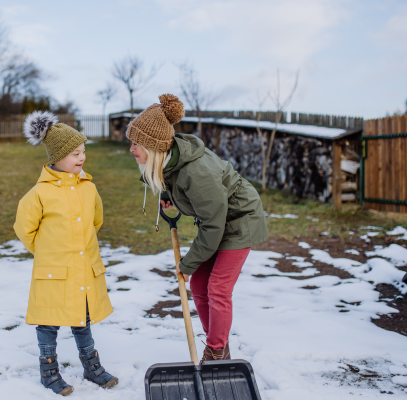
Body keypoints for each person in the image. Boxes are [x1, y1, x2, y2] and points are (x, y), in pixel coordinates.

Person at [128, 94, 268, 361]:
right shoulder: (171, 161)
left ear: (154, 146)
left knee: (217, 287)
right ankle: (217, 342)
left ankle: (216, 351)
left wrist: (187, 263)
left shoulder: (197, 173)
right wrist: (168, 195)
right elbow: (170, 178)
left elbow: (213, 227)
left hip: (239, 221)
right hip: (218, 220)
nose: (131, 149)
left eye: (136, 143)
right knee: (200, 285)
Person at [14, 111, 118, 396]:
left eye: (83, 151)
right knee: (48, 323)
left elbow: (96, 221)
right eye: (74, 153)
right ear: (57, 157)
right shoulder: (39, 194)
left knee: (82, 320)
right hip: (54, 271)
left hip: (82, 269)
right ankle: (49, 371)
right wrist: (47, 252)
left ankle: (91, 366)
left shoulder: (89, 189)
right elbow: (24, 229)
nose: (81, 157)